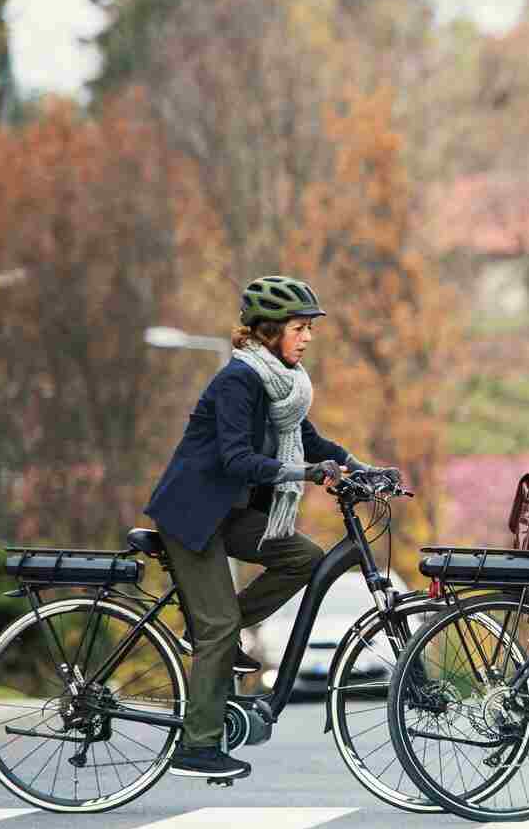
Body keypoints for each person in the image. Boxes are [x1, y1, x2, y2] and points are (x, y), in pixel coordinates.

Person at [143, 276, 394, 782]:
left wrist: (358, 466)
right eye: (299, 328)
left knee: (303, 557)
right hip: (195, 517)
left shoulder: (284, 383)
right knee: (217, 628)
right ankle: (197, 745)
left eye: (309, 329)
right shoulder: (240, 379)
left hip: (229, 515)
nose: (307, 338)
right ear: (268, 330)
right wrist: (306, 473)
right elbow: (237, 458)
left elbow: (309, 438)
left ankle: (216, 629)